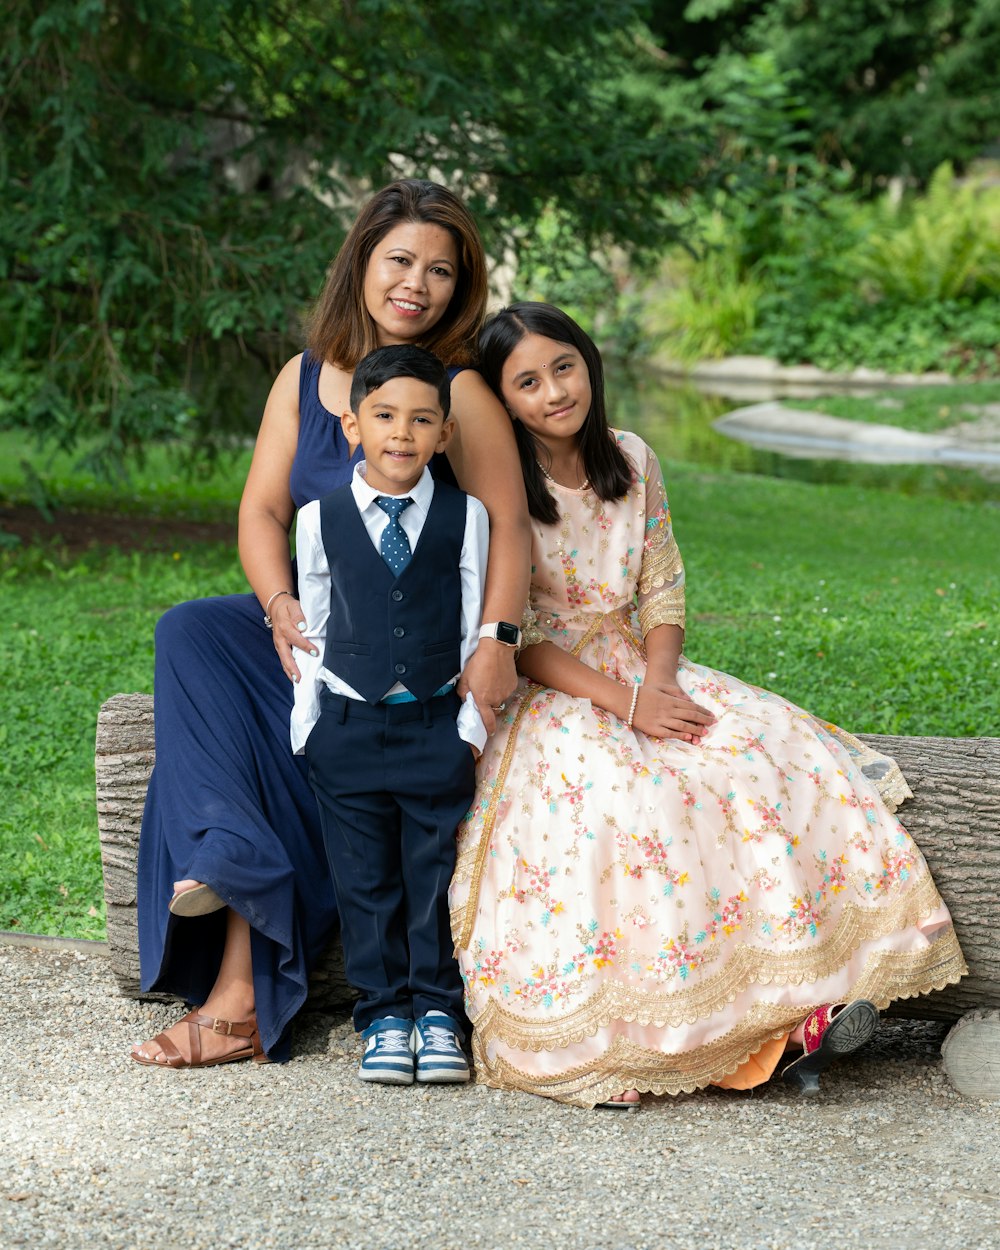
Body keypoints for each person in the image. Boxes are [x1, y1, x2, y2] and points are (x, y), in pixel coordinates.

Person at [449, 302, 967, 1108]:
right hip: (556, 687)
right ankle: (691, 1039)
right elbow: (522, 636)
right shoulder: (502, 484)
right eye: (526, 382)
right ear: (502, 400)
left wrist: (659, 682)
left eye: (564, 367)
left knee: (755, 755)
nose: (553, 391)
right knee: (632, 800)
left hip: (640, 663)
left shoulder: (630, 456)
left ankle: (796, 1005)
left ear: (590, 363)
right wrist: (625, 704)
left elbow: (661, 583)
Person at [131, 180, 530, 1069]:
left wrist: (497, 644)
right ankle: (224, 865)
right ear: (362, 263)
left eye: (439, 270)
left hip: (410, 642)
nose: (416, 285)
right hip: (308, 623)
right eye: (399, 261)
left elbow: (506, 527)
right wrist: (278, 609)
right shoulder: (305, 377)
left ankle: (233, 931)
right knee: (191, 631)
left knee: (263, 750)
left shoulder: (455, 392)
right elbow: (262, 514)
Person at [292, 343, 488, 1085]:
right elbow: (312, 626)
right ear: (353, 426)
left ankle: (439, 1011)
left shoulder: (465, 519)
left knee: (431, 874)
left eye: (420, 419)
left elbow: (474, 628)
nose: (401, 433)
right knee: (363, 878)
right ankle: (382, 1014)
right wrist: (307, 724)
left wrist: (467, 732)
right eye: (384, 416)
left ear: (442, 434)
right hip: (345, 726)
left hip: (436, 725)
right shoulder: (319, 519)